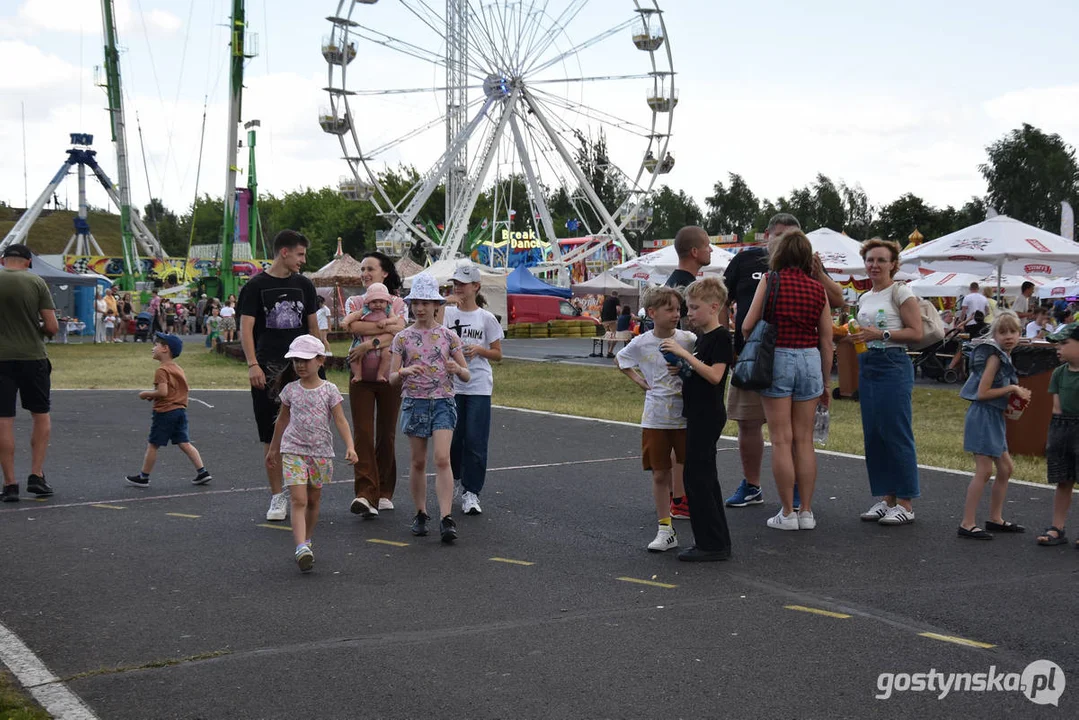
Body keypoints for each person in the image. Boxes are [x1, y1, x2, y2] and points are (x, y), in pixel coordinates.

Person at [722, 213, 843, 509]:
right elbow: (723, 301)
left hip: (776, 358)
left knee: (784, 436)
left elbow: (837, 298)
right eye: (780, 235)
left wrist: (820, 273)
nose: (785, 241)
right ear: (767, 236)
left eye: (791, 236)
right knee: (754, 425)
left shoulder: (804, 270)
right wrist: (727, 343)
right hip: (759, 360)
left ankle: (792, 502)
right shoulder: (745, 261)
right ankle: (757, 487)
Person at [743, 229, 832, 531]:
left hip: (777, 356)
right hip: (810, 360)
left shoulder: (771, 281)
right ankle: (806, 511)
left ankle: (786, 512)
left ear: (779, 255)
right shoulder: (817, 289)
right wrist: (827, 383)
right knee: (804, 440)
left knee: (781, 439)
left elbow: (747, 325)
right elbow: (827, 339)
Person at [239, 230, 321, 522]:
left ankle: (306, 490)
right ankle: (278, 496)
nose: (303, 260)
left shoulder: (305, 285)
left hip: (301, 369)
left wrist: (319, 361)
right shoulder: (255, 286)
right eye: (300, 254)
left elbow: (313, 327)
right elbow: (246, 328)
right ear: (283, 252)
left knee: (308, 429)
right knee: (271, 432)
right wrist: (252, 364)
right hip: (267, 367)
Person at [846, 238, 924, 526]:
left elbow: (915, 333)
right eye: (870, 260)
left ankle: (906, 501)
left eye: (881, 260)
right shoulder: (865, 297)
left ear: (893, 264)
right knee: (874, 433)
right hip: (868, 364)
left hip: (893, 363)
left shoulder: (901, 292)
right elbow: (862, 331)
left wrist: (880, 335)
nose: (874, 265)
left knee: (896, 432)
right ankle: (886, 497)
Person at [266, 335, 357, 572]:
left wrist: (350, 445)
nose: (300, 365)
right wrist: (274, 449)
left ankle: (306, 540)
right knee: (299, 499)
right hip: (293, 449)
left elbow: (340, 420)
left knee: (314, 500)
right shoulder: (290, 390)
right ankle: (300, 547)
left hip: (320, 452)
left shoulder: (329, 390)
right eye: (296, 360)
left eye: (305, 360)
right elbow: (282, 420)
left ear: (320, 361)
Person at [390, 272, 470, 543]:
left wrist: (456, 367)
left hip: (443, 401)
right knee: (417, 461)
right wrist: (403, 371)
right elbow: (390, 377)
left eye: (426, 302)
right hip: (414, 402)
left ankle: (446, 517)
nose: (420, 308)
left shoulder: (448, 336)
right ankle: (420, 512)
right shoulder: (402, 338)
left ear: (437, 305)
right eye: (416, 303)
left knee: (442, 458)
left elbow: (466, 374)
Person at [658, 277, 733, 561]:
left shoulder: (721, 337)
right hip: (698, 412)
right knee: (702, 478)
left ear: (714, 307)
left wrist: (685, 357)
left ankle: (711, 544)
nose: (689, 313)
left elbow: (715, 375)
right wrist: (684, 370)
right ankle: (714, 539)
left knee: (698, 479)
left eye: (694, 307)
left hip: (707, 414)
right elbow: (703, 373)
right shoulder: (704, 338)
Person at [616, 286, 696, 552]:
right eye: (670, 309)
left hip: (685, 416)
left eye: (678, 309)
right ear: (652, 313)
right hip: (656, 418)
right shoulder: (641, 342)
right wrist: (639, 380)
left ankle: (698, 520)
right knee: (660, 473)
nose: (676, 314)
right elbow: (622, 359)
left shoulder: (688, 339)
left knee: (692, 469)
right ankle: (665, 528)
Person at [345, 252, 407, 518]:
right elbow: (351, 326)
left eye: (370, 268)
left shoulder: (398, 303)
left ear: (385, 273)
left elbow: (400, 329)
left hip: (390, 373)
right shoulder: (355, 300)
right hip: (359, 377)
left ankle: (384, 491)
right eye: (362, 270)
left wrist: (369, 343)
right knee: (362, 434)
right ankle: (365, 493)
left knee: (386, 433)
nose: (365, 273)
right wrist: (384, 331)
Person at [956, 312, 1028, 539]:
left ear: (1020, 334)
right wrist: (1012, 390)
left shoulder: (1005, 356)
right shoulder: (995, 357)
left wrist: (1014, 400)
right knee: (985, 470)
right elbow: (983, 392)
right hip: (983, 415)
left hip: (993, 416)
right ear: (994, 335)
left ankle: (995, 518)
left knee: (1005, 469)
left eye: (1013, 332)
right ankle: (967, 523)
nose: (1008, 336)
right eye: (1003, 332)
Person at [445, 262, 504, 516]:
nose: (458, 288)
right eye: (455, 283)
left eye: (463, 284)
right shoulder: (446, 314)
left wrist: (480, 350)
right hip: (451, 385)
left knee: (475, 439)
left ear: (476, 287)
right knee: (454, 439)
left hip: (478, 384)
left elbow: (498, 354)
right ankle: (456, 478)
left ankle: (472, 492)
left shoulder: (486, 318)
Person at [0, 244, 58, 503]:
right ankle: (36, 475)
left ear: (3, 260)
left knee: (4, 420)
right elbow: (52, 327)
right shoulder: (36, 282)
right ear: (28, 262)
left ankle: (10, 483)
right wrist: (39, 328)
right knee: (40, 415)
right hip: (33, 357)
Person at [124, 333, 212, 488]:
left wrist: (147, 394)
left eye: (156, 345)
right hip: (180, 411)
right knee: (184, 442)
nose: (153, 348)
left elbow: (163, 392)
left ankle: (144, 477)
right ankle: (202, 471)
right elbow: (175, 390)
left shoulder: (162, 370)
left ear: (165, 349)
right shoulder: (178, 369)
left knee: (153, 444)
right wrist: (157, 395)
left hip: (165, 412)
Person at [1037, 324, 1079, 547]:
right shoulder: (1059, 373)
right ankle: (1057, 527)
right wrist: (1054, 438)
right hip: (1062, 428)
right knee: (1063, 480)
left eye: (1064, 344)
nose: (1058, 348)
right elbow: (1056, 408)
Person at [344, 283, 396, 384]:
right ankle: (357, 374)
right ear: (368, 302)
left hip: (383, 341)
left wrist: (386, 322)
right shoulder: (365, 310)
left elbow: (395, 320)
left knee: (387, 354)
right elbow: (354, 316)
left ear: (387, 302)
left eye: (381, 301)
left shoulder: (388, 309)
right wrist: (345, 322)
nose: (378, 305)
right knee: (355, 353)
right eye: (374, 301)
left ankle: (380, 374)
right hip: (364, 338)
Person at [600, 293, 620, 358]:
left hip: (604, 320)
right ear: (617, 295)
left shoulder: (606, 300)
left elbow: (601, 309)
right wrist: (618, 315)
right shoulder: (616, 299)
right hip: (612, 320)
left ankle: (608, 351)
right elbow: (618, 309)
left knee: (609, 335)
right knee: (615, 335)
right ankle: (610, 351)